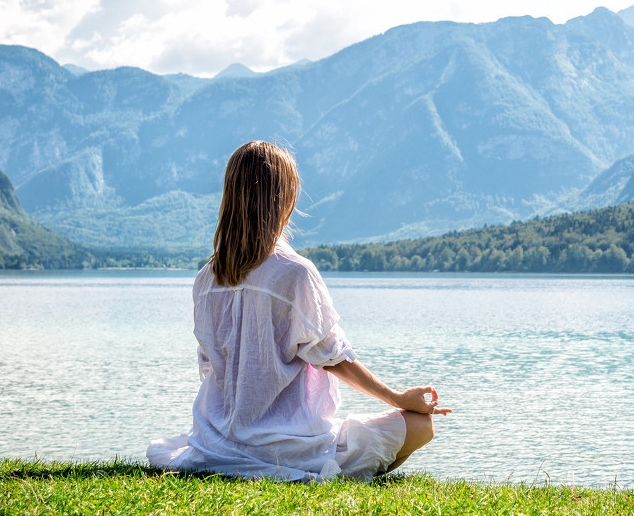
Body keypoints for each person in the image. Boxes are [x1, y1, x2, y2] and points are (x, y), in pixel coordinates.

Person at [147, 141, 450, 481]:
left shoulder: (207, 277)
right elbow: (335, 359)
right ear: (285, 200)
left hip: (215, 442)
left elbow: (209, 367)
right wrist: (398, 397)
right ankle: (343, 474)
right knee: (421, 425)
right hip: (286, 448)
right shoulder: (294, 272)